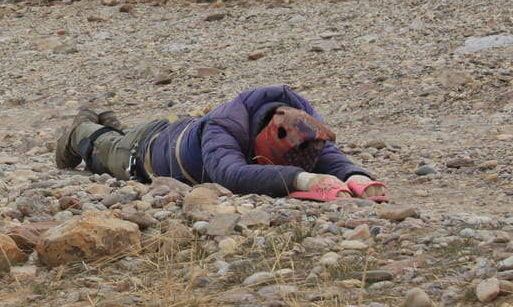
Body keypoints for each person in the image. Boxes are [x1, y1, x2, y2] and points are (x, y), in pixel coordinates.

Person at [54, 85, 388, 201]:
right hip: (142, 152)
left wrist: (355, 176)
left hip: (172, 132)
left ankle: (110, 120)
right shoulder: (224, 130)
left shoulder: (298, 114)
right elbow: (229, 175)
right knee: (101, 148)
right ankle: (85, 124)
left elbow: (322, 150)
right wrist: (303, 180)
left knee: (119, 135)